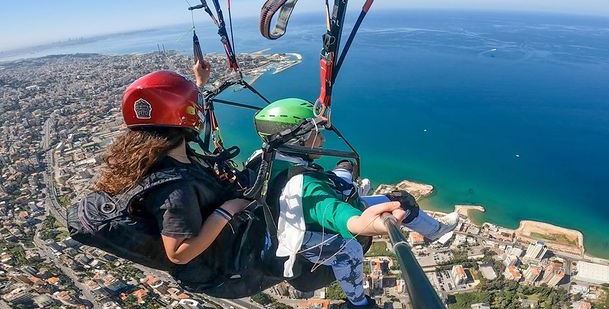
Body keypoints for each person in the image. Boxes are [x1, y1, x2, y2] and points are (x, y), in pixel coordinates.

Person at [252, 98, 459, 308]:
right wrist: (364, 224)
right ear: (299, 141)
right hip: (301, 232)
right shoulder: (306, 187)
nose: (323, 140)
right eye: (317, 134)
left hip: (282, 217)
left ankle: (435, 231)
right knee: (350, 249)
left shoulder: (262, 158)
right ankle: (358, 302)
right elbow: (332, 211)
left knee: (376, 185)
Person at [94, 61, 276, 296]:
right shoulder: (176, 189)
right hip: (223, 276)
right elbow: (178, 253)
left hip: (216, 262)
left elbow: (169, 113)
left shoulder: (150, 156)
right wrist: (229, 209)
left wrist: (198, 85)